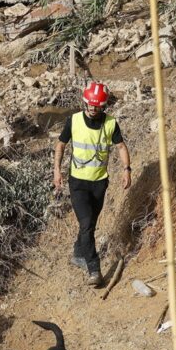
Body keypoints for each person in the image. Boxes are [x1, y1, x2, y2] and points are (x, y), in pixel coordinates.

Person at [53, 81, 132, 285]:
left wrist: (126, 170)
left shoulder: (111, 123)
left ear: (103, 106)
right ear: (84, 102)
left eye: (96, 106)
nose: (92, 109)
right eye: (89, 104)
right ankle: (94, 268)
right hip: (77, 181)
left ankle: (79, 253)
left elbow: (121, 147)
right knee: (86, 223)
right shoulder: (74, 121)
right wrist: (57, 171)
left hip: (99, 182)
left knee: (90, 224)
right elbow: (61, 145)